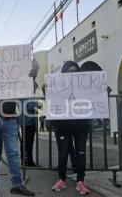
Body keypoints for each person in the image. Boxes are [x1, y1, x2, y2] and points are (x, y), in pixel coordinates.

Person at [0, 66, 38, 197]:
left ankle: (16, 185)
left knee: (13, 154)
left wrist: (32, 78)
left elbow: (29, 89)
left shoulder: (13, 76)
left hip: (9, 119)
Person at [49, 61, 91, 195]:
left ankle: (81, 181)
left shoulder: (85, 86)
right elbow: (52, 99)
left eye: (74, 70)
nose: (72, 72)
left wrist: (103, 90)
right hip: (63, 125)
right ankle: (61, 179)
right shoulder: (58, 86)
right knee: (63, 153)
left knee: (81, 153)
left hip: (81, 126)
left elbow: (95, 96)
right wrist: (47, 89)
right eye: (69, 70)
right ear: (63, 73)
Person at [18, 82, 38, 167]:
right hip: (29, 121)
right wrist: (37, 105)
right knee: (29, 142)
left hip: (23, 120)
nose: (35, 90)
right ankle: (29, 161)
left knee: (24, 141)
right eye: (35, 88)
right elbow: (30, 107)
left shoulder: (22, 94)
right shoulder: (29, 95)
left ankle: (24, 160)